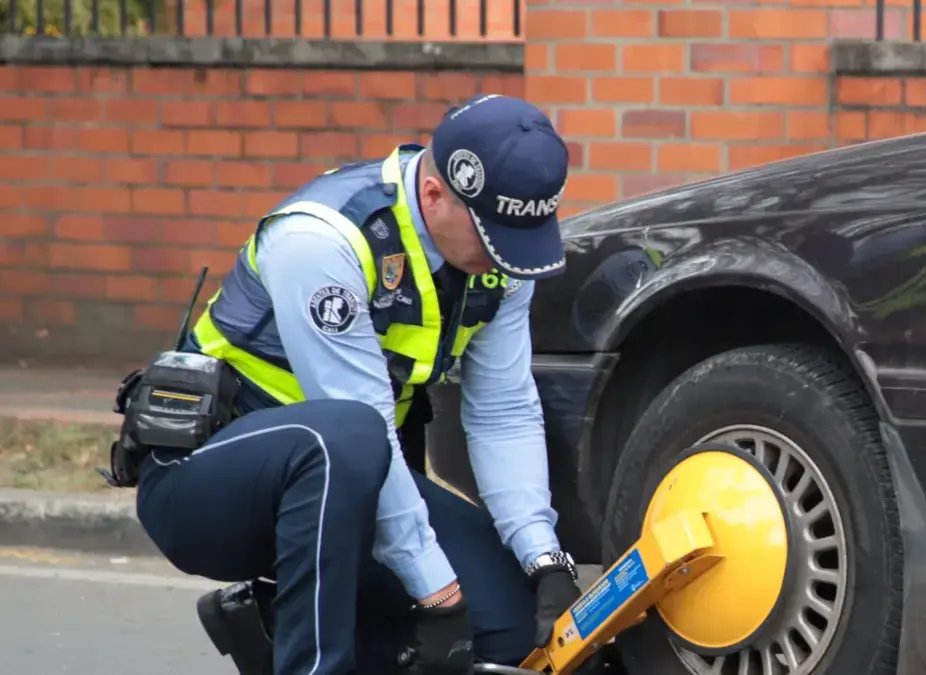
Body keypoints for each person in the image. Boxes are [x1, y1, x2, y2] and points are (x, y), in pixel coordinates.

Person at [131, 93, 586, 674]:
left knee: (504, 630)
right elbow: (359, 420)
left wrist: (543, 560)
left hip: (351, 481)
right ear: (434, 195)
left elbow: (503, 411)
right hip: (205, 483)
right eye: (492, 235)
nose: (506, 258)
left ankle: (279, 629)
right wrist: (437, 594)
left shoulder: (498, 257)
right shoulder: (323, 239)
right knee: (346, 437)